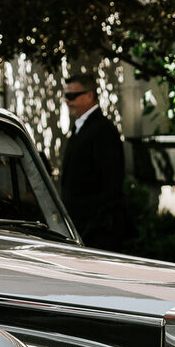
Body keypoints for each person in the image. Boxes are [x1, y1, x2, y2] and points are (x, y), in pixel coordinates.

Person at [59, 69, 127, 251]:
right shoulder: (80, 127)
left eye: (72, 96)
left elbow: (110, 185)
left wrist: (92, 228)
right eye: (66, 96)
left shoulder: (103, 131)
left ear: (89, 96)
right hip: (78, 228)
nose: (67, 101)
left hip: (96, 233)